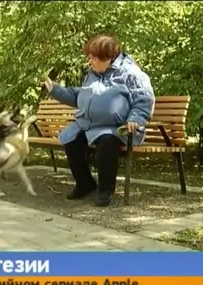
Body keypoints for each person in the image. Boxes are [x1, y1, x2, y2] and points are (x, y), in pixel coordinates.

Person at [42, 35, 155, 207]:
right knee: (71, 139)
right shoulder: (92, 74)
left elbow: (144, 99)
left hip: (120, 128)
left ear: (108, 59)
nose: (90, 62)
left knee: (107, 142)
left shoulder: (131, 73)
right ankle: (85, 184)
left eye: (94, 58)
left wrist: (135, 119)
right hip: (90, 125)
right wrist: (55, 89)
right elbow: (78, 95)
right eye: (90, 58)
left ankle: (105, 190)